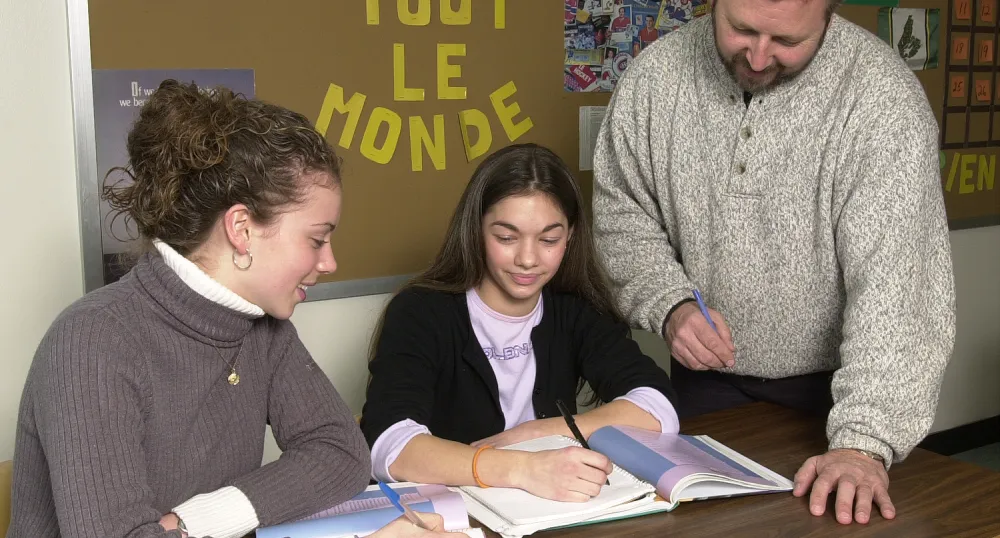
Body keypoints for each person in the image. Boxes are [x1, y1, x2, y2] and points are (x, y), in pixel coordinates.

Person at [7, 80, 458, 538]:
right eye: (317, 239)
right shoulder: (91, 341)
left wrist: (195, 520)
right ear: (241, 229)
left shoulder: (262, 326)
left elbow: (341, 453)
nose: (329, 262)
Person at [592, 0, 954, 528]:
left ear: (828, 16)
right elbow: (622, 215)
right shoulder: (656, 76)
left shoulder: (883, 99)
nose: (759, 58)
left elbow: (898, 290)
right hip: (702, 382)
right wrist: (670, 305)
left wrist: (862, 443)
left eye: (787, 42)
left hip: (836, 399)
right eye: (740, 29)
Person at [361, 143, 678, 503]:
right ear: (476, 230)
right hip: (455, 513)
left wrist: (537, 433)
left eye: (549, 239)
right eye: (506, 238)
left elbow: (657, 406)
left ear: (570, 236)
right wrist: (520, 468)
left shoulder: (576, 309)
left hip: (551, 506)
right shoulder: (420, 312)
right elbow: (388, 445)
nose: (527, 259)